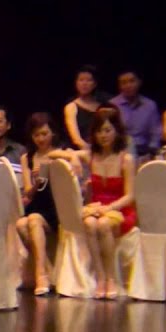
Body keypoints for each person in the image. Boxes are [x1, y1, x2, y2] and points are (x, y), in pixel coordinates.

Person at [50, 111, 136, 299]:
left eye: (107, 130)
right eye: (99, 131)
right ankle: (101, 276)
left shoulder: (125, 159)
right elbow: (53, 153)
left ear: (116, 131)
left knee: (103, 224)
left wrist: (109, 208)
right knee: (89, 224)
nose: (103, 135)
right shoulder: (91, 156)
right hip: (96, 207)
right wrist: (72, 157)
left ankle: (111, 277)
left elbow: (130, 195)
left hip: (119, 208)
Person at [16, 114, 60, 296]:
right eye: (36, 135)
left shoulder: (58, 153)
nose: (41, 139)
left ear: (52, 133)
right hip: (38, 203)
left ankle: (41, 274)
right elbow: (28, 192)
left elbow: (79, 157)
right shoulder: (28, 157)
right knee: (20, 224)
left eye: (44, 134)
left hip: (55, 206)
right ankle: (50, 272)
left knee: (33, 220)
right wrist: (37, 181)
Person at [110, 70, 162, 158]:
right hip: (120, 153)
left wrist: (151, 153)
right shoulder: (112, 105)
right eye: (124, 83)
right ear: (119, 86)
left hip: (145, 152)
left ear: (139, 82)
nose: (128, 86)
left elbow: (155, 134)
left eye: (132, 81)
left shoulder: (150, 105)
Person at [63, 65, 104, 149]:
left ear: (95, 84)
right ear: (76, 83)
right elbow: (76, 139)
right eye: (81, 80)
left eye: (89, 80)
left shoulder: (101, 107)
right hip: (78, 150)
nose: (84, 83)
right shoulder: (71, 107)